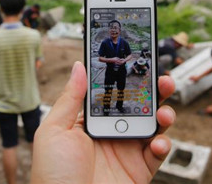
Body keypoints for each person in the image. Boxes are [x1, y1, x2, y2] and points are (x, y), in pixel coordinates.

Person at [31, 61, 177, 184]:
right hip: (111, 74)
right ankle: (107, 109)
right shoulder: (113, 53)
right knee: (108, 92)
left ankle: (116, 107)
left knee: (120, 91)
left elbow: (131, 61)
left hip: (121, 74)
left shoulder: (135, 59)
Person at [0, 0, 43, 184]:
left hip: (3, 101)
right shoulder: (33, 36)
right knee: (35, 144)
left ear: (1, 9)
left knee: (9, 146)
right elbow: (38, 63)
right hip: (29, 99)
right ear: (22, 9)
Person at [98, 20, 133, 115]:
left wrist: (125, 60)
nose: (114, 30)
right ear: (109, 30)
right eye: (111, 28)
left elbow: (130, 55)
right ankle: (106, 109)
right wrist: (111, 60)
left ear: (119, 30)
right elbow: (100, 58)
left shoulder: (124, 42)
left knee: (121, 90)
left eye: (116, 28)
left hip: (122, 71)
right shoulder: (105, 43)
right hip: (110, 71)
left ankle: (119, 106)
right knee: (108, 90)